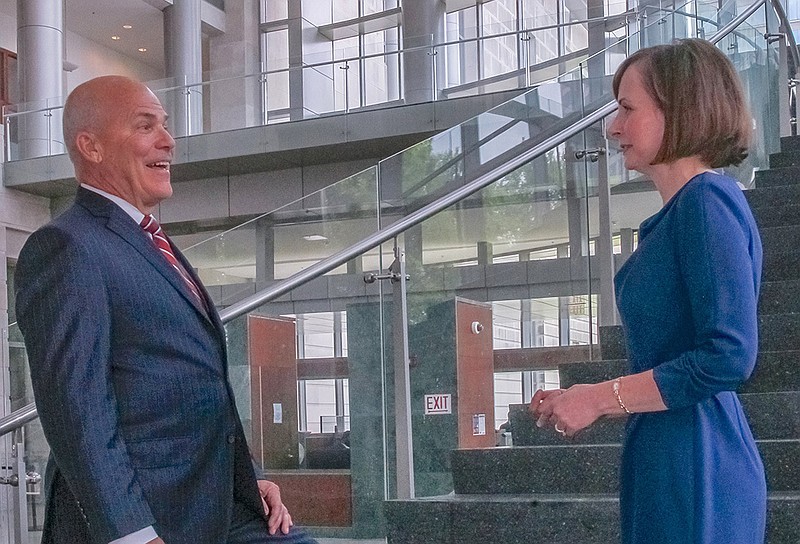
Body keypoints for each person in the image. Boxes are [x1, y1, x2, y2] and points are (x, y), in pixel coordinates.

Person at [15, 75, 317, 544]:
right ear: (91, 147)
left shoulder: (152, 243)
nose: (168, 141)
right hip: (145, 519)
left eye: (165, 125)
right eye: (145, 126)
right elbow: (77, 407)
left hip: (216, 505)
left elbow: (195, 385)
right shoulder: (66, 247)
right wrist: (131, 533)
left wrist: (248, 477)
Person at [530, 39, 766, 544]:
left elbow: (728, 355)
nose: (613, 127)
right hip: (673, 445)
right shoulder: (686, 211)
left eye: (628, 109)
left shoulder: (706, 202)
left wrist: (597, 398)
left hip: (696, 454)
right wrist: (584, 397)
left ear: (679, 111)